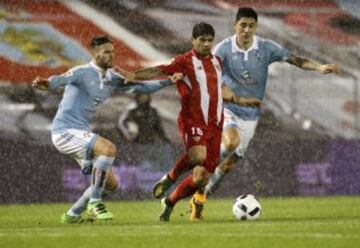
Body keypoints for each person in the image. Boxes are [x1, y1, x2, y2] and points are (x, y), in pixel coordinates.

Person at [187, 7, 340, 218]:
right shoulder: (223, 49)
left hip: (251, 115)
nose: (247, 30)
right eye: (243, 25)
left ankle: (201, 197)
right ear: (235, 25)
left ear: (255, 27)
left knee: (230, 163)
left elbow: (294, 59)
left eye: (251, 26)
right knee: (230, 143)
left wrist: (319, 67)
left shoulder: (266, 48)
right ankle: (204, 164)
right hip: (227, 108)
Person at [118, 22, 261, 221]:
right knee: (197, 156)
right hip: (192, 120)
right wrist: (134, 75)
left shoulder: (218, 62)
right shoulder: (184, 61)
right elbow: (159, 70)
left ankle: (169, 201)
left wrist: (241, 100)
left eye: (210, 40)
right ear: (193, 40)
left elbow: (222, 88)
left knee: (201, 178)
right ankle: (170, 178)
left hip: (215, 124)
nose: (206, 44)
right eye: (202, 40)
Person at [32, 35, 176, 224]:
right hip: (64, 132)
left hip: (80, 134)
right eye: (107, 52)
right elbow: (59, 80)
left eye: (113, 52)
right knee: (108, 149)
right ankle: (94, 203)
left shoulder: (112, 78)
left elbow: (144, 88)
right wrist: (47, 83)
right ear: (94, 53)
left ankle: (72, 214)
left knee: (111, 184)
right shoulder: (82, 72)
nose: (111, 56)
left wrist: (170, 81)